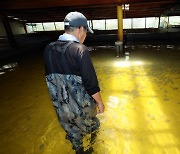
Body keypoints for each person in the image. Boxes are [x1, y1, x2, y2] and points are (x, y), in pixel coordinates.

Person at [44, 11, 104, 153]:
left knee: (73, 134)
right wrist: (100, 103)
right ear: (81, 29)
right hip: (82, 108)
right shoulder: (80, 50)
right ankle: (92, 148)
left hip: (62, 109)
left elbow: (51, 80)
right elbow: (91, 84)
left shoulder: (48, 49)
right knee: (94, 126)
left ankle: (79, 150)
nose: (85, 35)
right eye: (86, 31)